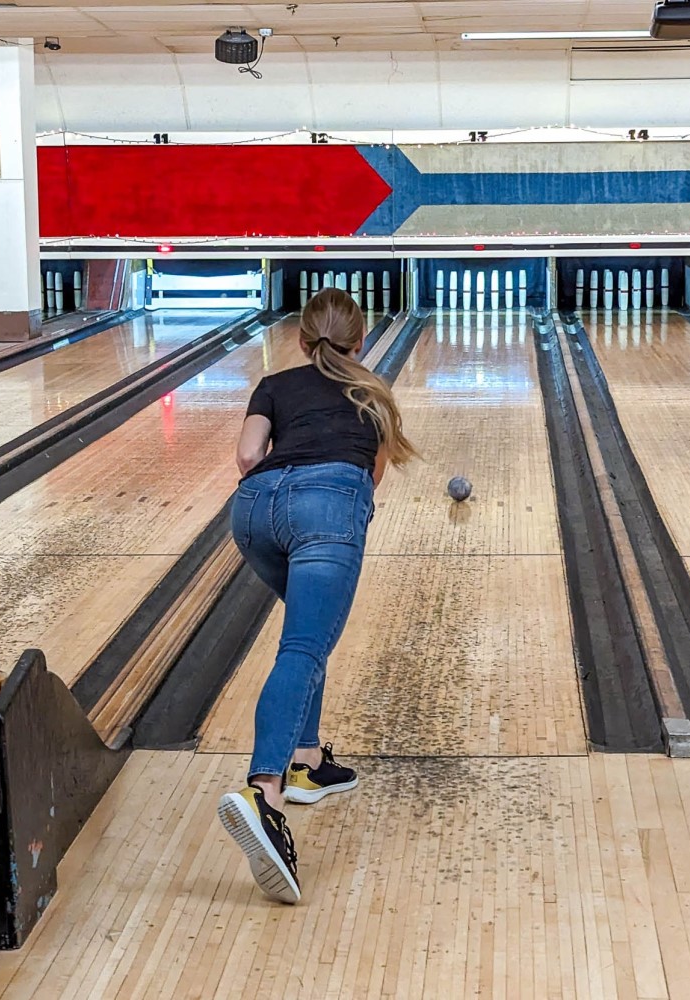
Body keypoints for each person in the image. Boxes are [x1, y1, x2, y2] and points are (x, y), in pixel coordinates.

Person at [218, 287, 419, 903]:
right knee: (304, 647)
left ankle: (307, 760)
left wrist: (282, 487)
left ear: (302, 341)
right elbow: (373, 476)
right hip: (329, 504)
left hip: (253, 510)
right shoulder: (374, 394)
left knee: (305, 638)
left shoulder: (276, 383)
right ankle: (266, 793)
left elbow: (248, 454)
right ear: (360, 341)